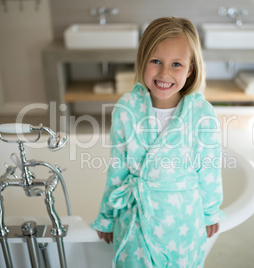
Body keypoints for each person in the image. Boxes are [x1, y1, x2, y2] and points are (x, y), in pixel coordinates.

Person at [91, 17, 224, 268]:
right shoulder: (127, 108)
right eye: (156, 61)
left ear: (190, 69)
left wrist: (210, 212)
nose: (164, 73)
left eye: (176, 64)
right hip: (136, 219)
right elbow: (117, 168)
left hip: (182, 222)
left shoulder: (201, 115)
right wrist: (107, 216)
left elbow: (208, 170)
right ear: (142, 61)